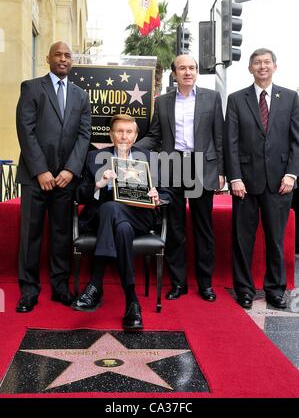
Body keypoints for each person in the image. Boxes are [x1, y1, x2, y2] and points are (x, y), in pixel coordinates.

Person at [72, 114, 171, 329]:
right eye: (119, 131)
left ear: (135, 136)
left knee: (114, 212)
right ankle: (132, 301)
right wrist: (99, 184)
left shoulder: (150, 158)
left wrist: (157, 195)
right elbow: (80, 193)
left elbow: (167, 193)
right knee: (117, 221)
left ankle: (95, 284)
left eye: (129, 132)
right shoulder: (94, 158)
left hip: (140, 217)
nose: (124, 136)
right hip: (106, 219)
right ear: (111, 134)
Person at [138, 55, 225, 301]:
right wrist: (130, 147)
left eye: (191, 68)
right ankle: (178, 283)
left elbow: (219, 136)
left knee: (203, 228)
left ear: (196, 71)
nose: (187, 72)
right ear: (174, 74)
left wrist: (221, 171)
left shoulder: (212, 98)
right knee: (175, 228)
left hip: (201, 167)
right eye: (182, 68)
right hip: (172, 164)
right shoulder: (163, 101)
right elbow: (154, 136)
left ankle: (206, 284)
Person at [15, 41, 91, 313]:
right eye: (57, 54)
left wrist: (70, 170)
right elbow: (26, 130)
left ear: (72, 61)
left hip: (65, 180)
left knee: (61, 235)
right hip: (36, 177)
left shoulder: (81, 96)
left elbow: (84, 136)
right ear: (48, 58)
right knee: (30, 235)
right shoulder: (32, 88)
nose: (62, 58)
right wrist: (41, 170)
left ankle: (60, 287)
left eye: (67, 55)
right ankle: (28, 290)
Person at [224, 48, 299, 309]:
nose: (262, 66)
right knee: (243, 239)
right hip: (244, 182)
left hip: (280, 183)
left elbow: (295, 141)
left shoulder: (290, 97)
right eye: (257, 63)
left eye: (267, 62)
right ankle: (244, 289)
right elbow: (230, 142)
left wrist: (291, 174)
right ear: (250, 68)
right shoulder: (236, 99)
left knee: (275, 239)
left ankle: (275, 290)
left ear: (275, 67)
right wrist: (234, 178)